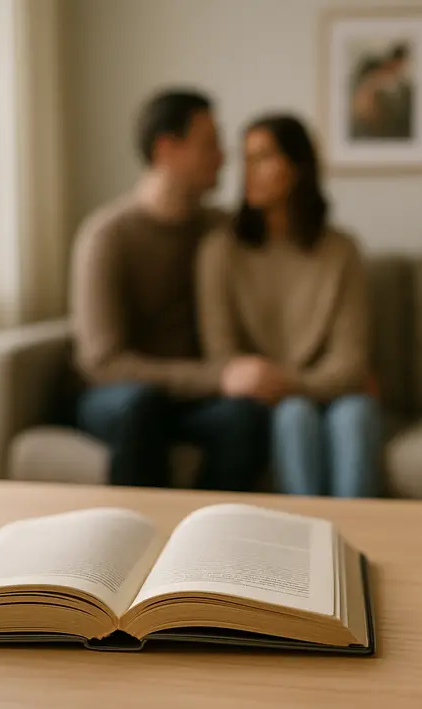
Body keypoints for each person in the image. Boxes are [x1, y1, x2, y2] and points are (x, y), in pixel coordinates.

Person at [69, 89, 269, 490]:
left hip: (192, 401)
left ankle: (209, 537)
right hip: (119, 398)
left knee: (244, 417)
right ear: (167, 149)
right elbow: (103, 363)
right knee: (141, 405)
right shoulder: (108, 236)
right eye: (209, 143)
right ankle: (137, 540)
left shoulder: (219, 228)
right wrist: (219, 377)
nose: (224, 157)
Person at [196, 113, 381, 498]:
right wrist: (286, 389)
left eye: (263, 157)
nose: (249, 171)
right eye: (245, 159)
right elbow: (222, 356)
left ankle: (363, 542)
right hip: (267, 401)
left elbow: (350, 362)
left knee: (357, 415)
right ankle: (307, 544)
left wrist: (290, 384)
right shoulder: (220, 251)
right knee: (295, 416)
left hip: (331, 393)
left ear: (297, 167)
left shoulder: (341, 250)